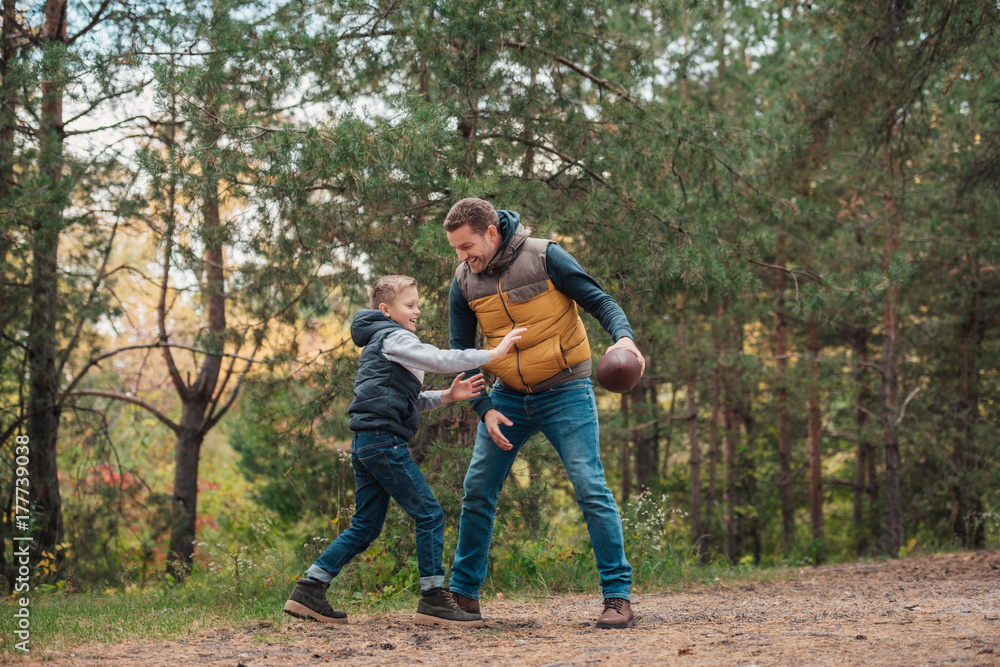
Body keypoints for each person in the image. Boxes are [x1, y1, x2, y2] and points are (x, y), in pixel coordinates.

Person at [443, 198, 646, 629]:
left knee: (591, 488)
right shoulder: (463, 282)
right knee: (477, 489)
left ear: (491, 232)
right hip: (508, 397)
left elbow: (601, 302)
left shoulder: (544, 256)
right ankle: (462, 597)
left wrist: (624, 340)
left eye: (467, 247)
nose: (462, 258)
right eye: (457, 250)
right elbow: (462, 353)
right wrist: (484, 409)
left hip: (566, 388)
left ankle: (617, 597)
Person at [283, 274, 526, 628]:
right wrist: (494, 353)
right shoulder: (394, 337)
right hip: (382, 442)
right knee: (429, 514)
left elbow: (406, 400)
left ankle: (309, 588)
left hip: (368, 442)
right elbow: (440, 359)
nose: (417, 311)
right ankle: (433, 599)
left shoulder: (384, 343)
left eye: (418, 304)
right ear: (386, 310)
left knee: (365, 526)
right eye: (409, 305)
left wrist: (446, 397)